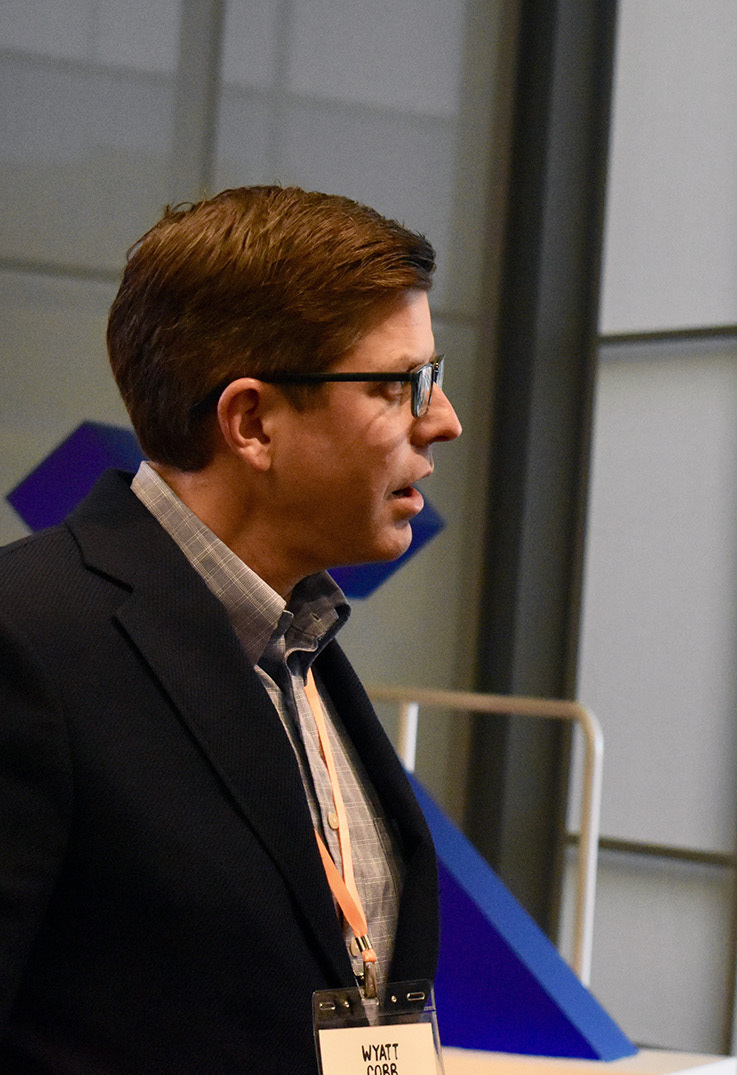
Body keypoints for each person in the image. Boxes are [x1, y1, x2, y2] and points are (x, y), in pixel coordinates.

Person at [0, 186, 462, 1073]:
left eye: (432, 378)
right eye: (398, 384)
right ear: (251, 422)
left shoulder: (302, 646)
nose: (442, 419)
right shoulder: (26, 643)